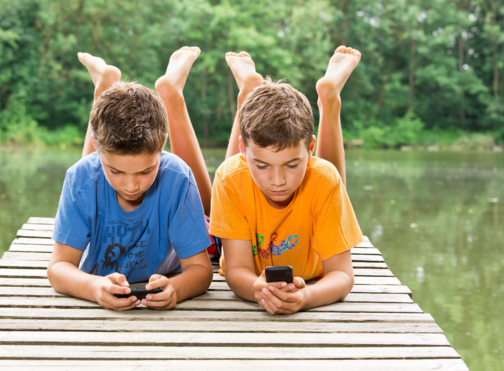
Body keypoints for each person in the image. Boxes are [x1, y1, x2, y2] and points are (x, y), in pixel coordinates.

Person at [47, 47, 214, 311]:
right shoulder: (79, 179)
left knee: (209, 210)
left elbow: (201, 271)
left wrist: (177, 289)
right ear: (96, 149)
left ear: (163, 147)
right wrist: (94, 288)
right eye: (116, 171)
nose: (131, 185)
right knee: (89, 171)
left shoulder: (176, 177)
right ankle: (104, 84)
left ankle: (106, 83)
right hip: (93, 169)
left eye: (146, 171)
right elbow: (58, 268)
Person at [209, 46, 364, 315]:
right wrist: (255, 288)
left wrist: (308, 296)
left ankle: (330, 100)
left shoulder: (323, 179)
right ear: (243, 151)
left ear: (311, 148)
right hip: (238, 172)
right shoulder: (229, 177)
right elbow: (236, 271)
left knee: (327, 176)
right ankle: (248, 92)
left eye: (292, 165)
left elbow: (342, 275)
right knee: (232, 173)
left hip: (312, 269)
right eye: (263, 165)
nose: (277, 180)